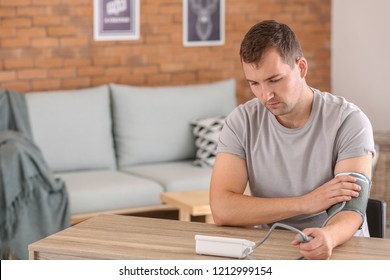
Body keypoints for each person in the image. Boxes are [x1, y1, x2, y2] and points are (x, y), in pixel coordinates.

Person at [209, 20, 375, 260]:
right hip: (270, 248)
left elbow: (351, 209)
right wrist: (307, 203)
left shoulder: (349, 121)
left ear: (301, 67)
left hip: (340, 249)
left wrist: (328, 236)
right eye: (254, 83)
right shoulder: (241, 121)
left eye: (274, 80)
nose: (266, 95)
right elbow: (223, 210)